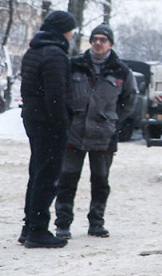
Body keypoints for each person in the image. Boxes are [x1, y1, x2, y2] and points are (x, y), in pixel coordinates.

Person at [54, 24, 137, 240]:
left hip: (104, 135)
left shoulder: (121, 71)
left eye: (103, 39)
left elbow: (130, 101)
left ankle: (96, 223)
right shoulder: (75, 65)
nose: (98, 43)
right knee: (66, 181)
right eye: (95, 39)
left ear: (110, 44)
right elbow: (61, 93)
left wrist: (113, 121)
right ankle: (63, 224)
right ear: (90, 42)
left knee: (100, 181)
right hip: (74, 132)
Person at [18, 10, 77, 249]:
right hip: (48, 124)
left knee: (37, 174)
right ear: (64, 30)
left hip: (33, 120)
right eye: (71, 29)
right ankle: (38, 230)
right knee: (47, 177)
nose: (73, 34)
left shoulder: (34, 51)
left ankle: (29, 226)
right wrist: (63, 125)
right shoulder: (55, 55)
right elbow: (55, 96)